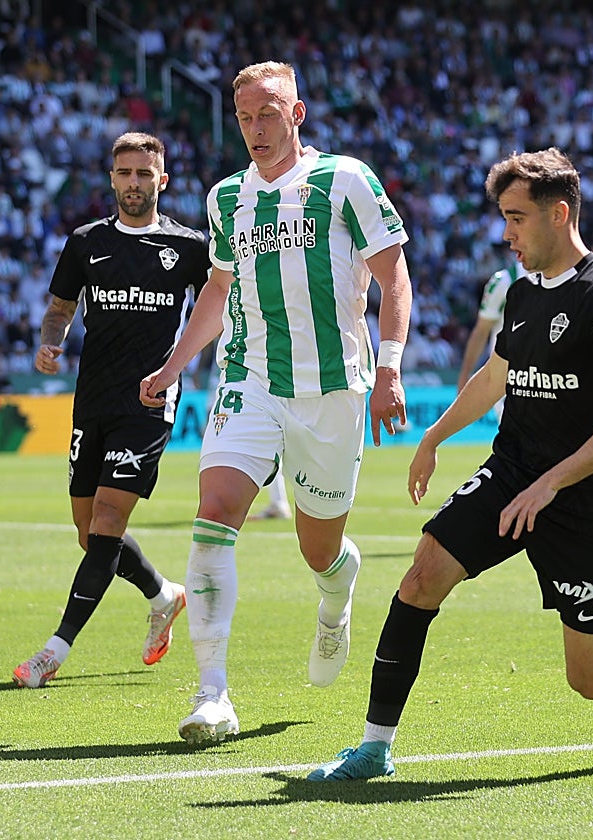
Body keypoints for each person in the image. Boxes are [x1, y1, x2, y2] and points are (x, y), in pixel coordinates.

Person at [308, 148, 593, 782]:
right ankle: (374, 747)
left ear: (559, 215)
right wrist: (435, 436)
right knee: (421, 576)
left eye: (516, 218)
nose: (507, 234)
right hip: (510, 475)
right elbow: (500, 373)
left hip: (579, 496)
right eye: (504, 218)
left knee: (592, 680)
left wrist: (551, 484)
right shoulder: (525, 291)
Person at [140, 61, 413, 745]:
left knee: (318, 548)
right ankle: (212, 695)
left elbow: (393, 275)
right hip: (249, 376)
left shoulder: (345, 180)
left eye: (268, 114)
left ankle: (335, 589)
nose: (255, 129)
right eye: (244, 118)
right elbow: (217, 287)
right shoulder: (226, 197)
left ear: (296, 114)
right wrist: (176, 363)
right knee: (215, 512)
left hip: (332, 388)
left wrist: (390, 369)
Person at [12, 132, 211, 688]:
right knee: (89, 533)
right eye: (125, 173)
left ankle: (54, 650)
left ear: (162, 181)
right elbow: (59, 309)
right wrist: (51, 340)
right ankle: (163, 594)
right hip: (91, 400)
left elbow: (219, 308)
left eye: (145, 174)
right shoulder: (85, 242)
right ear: (112, 178)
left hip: (148, 403)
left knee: (106, 522)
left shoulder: (189, 247)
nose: (134, 183)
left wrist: (190, 364)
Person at [456, 251, 523, 391]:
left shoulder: (563, 277)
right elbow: (481, 331)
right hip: (508, 382)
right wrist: (465, 376)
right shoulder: (505, 280)